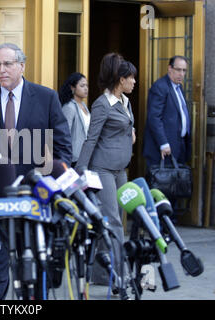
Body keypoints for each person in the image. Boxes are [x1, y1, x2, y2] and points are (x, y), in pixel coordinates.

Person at [0, 43, 73, 300]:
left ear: (22, 65)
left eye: (8, 64)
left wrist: (55, 186)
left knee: (34, 266)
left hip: (36, 199)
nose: (1, 70)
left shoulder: (46, 98)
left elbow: (63, 148)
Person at [75, 53, 136, 286]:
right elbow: (91, 139)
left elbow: (124, 127)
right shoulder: (102, 104)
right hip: (103, 169)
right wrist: (81, 170)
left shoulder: (125, 102)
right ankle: (119, 274)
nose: (133, 80)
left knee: (116, 220)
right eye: (129, 75)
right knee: (113, 222)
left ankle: (102, 273)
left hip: (121, 169)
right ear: (119, 77)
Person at [143, 55, 191, 219]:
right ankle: (158, 222)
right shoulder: (160, 87)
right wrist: (163, 143)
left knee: (173, 185)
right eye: (178, 70)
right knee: (161, 187)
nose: (181, 74)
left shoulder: (178, 88)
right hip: (162, 149)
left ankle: (169, 220)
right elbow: (154, 118)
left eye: (184, 70)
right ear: (169, 69)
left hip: (178, 145)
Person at [59, 72, 90, 166]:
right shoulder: (69, 107)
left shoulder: (84, 106)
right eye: (82, 86)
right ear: (73, 88)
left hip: (85, 156)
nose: (86, 88)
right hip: (74, 157)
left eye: (87, 86)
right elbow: (64, 134)